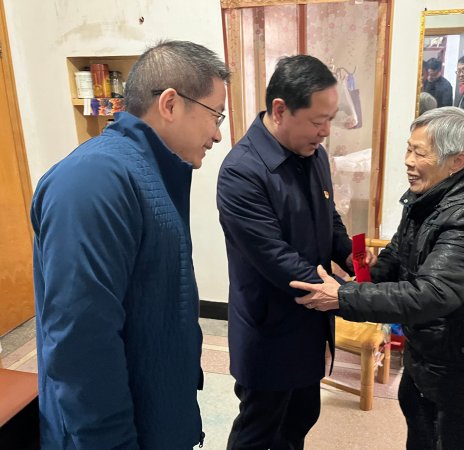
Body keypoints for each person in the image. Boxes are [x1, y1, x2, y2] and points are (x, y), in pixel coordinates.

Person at [291, 107, 464, 450]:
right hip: (434, 353)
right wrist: (365, 276)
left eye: (419, 153)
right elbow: (397, 255)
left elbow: (430, 295)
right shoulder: (428, 198)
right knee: (419, 430)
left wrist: (343, 297)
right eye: (408, 149)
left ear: (457, 162)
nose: (407, 161)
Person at [31, 40, 230, 449]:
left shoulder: (151, 171)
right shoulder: (93, 180)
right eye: (215, 114)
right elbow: (81, 347)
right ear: (170, 104)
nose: (217, 133)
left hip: (157, 416)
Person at [217, 55, 372, 450]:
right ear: (280, 110)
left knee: (301, 418)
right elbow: (275, 258)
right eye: (318, 121)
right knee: (259, 430)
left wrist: (352, 256)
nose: (326, 131)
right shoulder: (242, 172)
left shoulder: (313, 154)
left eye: (331, 119)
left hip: (311, 320)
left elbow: (328, 218)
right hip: (269, 328)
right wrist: (348, 294)